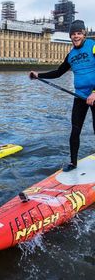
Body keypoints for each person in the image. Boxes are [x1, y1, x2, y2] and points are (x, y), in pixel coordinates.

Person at [29, 19, 95, 172]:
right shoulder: (71, 55)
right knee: (75, 130)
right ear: (70, 36)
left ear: (84, 34)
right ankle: (73, 163)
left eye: (79, 33)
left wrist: (94, 92)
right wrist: (39, 75)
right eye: (73, 34)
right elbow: (58, 72)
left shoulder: (92, 46)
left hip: (94, 95)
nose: (76, 36)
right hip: (79, 96)